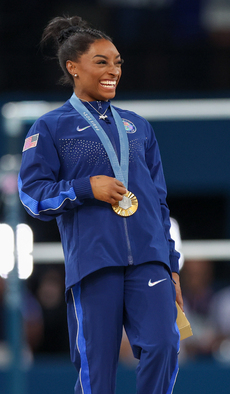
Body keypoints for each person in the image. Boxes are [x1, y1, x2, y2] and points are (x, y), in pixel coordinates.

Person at [18, 16, 183, 394]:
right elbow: (32, 195)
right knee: (98, 368)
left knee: (164, 345)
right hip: (95, 262)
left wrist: (171, 265)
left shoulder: (138, 127)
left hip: (149, 259)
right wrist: (85, 188)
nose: (114, 71)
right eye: (102, 61)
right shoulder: (51, 127)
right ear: (72, 68)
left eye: (118, 62)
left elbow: (158, 201)